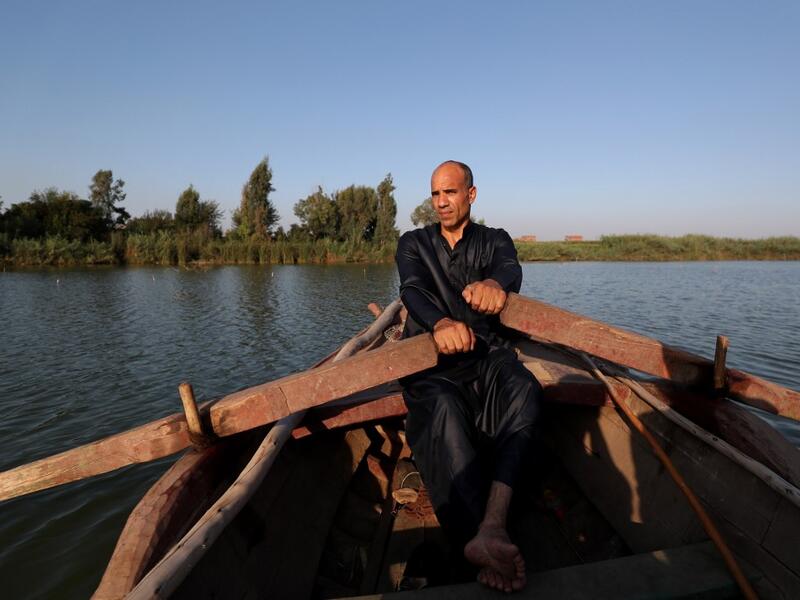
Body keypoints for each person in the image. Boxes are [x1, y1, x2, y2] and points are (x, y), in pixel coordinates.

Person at [395, 161, 542, 593]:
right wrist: (440, 324)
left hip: (487, 357)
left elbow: (510, 267)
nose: (441, 202)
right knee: (442, 410)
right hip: (431, 364)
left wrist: (497, 284)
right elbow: (413, 290)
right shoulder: (413, 243)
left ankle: (492, 525)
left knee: (525, 389)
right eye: (435, 194)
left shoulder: (494, 240)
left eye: (450, 193)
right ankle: (474, 537)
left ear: (471, 195)